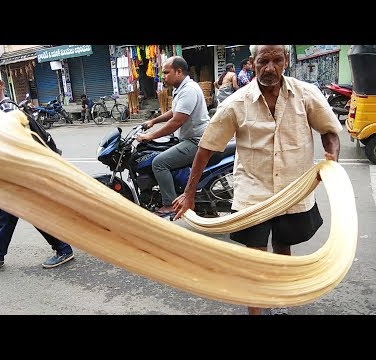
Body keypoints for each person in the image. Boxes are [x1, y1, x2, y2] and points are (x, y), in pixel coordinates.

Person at [173, 45, 342, 315]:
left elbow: (329, 129)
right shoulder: (236, 104)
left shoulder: (306, 95)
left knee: (284, 247)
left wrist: (331, 158)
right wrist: (190, 193)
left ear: (286, 60)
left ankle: (281, 304)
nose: (270, 68)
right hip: (254, 192)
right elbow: (206, 148)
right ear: (252, 63)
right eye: (264, 61)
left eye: (277, 60)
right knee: (254, 256)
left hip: (293, 189)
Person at [0, 66, 75, 269]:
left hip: (27, 171)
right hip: (20, 171)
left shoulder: (7, 110)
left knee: (32, 211)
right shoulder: (1, 108)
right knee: (9, 212)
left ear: (0, 84)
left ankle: (63, 249)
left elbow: (17, 145)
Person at [135, 56, 210, 218]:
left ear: (179, 71)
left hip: (197, 141)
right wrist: (153, 121)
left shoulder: (188, 90)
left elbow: (177, 121)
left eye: (166, 72)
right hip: (189, 138)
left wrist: (150, 136)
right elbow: (174, 112)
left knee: (159, 163)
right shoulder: (181, 88)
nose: (163, 76)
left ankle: (169, 204)